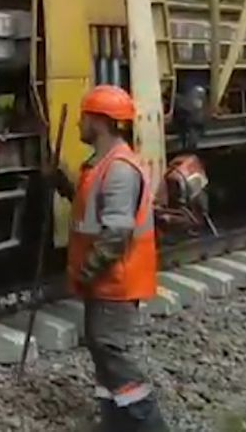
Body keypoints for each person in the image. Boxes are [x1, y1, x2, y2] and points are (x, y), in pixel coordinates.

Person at [54, 85, 167, 431]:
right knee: (102, 350)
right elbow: (94, 211)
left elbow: (115, 233)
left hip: (115, 279)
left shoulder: (118, 168)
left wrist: (87, 272)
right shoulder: (102, 164)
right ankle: (115, 424)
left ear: (99, 121)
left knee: (112, 351)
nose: (78, 125)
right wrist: (63, 183)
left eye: (84, 117)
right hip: (106, 280)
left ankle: (148, 422)